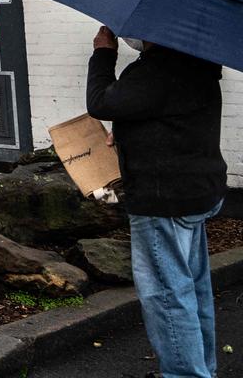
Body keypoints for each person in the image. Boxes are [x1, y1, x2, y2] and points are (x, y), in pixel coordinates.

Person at [86, 27, 225, 378]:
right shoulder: (197, 63)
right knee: (192, 289)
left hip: (163, 199)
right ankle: (200, 368)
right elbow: (171, 117)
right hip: (196, 192)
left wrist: (104, 52)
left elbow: (100, 101)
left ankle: (185, 374)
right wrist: (129, 130)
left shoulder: (157, 68)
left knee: (167, 296)